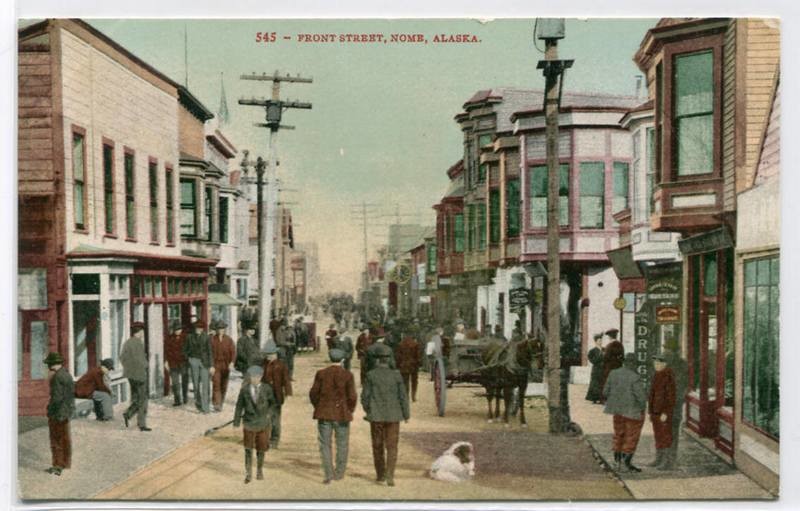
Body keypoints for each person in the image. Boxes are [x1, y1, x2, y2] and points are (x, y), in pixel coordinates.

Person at [361, 343, 410, 486]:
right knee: (392, 446)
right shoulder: (397, 375)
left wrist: (368, 411)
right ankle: (390, 475)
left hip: (376, 417)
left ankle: (380, 475)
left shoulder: (371, 375)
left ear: (377, 359)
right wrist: (406, 414)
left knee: (377, 446)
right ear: (389, 359)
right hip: (394, 417)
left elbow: (365, 397)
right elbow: (403, 397)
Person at [309, 348, 357, 484]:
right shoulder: (348, 375)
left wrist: (318, 406)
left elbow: (313, 394)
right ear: (342, 360)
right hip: (342, 413)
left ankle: (328, 473)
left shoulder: (321, 374)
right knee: (342, 444)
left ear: (330, 359)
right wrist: (349, 410)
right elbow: (352, 396)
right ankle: (339, 472)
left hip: (324, 413)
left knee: (325, 444)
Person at [233, 365, 277, 484]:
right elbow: (239, 406)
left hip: (263, 423)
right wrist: (236, 423)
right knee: (248, 449)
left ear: (261, 377)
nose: (254, 379)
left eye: (257, 377)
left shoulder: (267, 389)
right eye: (252, 377)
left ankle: (259, 470)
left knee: (261, 449)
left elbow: (273, 404)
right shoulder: (244, 389)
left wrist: (269, 414)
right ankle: (248, 474)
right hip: (248, 423)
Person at [603, 353, 646, 473]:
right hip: (632, 411)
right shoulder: (635, 377)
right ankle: (626, 463)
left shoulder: (613, 373)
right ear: (632, 364)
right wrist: (642, 408)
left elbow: (605, 392)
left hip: (617, 411)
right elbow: (641, 397)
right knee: (631, 436)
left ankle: (617, 461)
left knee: (618, 434)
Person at [45, 352, 74, 476]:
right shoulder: (67, 375)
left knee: (56, 439)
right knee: (65, 438)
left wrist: (49, 409)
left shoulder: (57, 377)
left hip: (57, 413)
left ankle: (57, 466)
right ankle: (66, 463)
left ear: (51, 365)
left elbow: (56, 398)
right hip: (66, 411)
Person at [661, 338, 687, 470]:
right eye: (665, 349)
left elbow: (682, 386)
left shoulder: (681, 365)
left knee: (671, 432)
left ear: (675, 352)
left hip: (674, 404)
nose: (665, 351)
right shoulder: (663, 363)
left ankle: (670, 461)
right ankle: (660, 458)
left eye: (668, 349)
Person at [647, 353, 677, 470]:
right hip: (655, 411)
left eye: (659, 363)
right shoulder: (657, 375)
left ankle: (667, 462)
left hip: (663, 413)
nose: (656, 365)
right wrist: (650, 411)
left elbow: (671, 397)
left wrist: (666, 412)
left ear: (664, 364)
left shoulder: (668, 376)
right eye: (655, 363)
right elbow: (652, 395)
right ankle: (658, 459)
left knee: (665, 436)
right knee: (658, 435)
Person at [121, 321, 151, 431]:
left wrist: (129, 368)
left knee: (135, 397)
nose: (143, 333)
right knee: (143, 399)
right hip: (140, 375)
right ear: (140, 332)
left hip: (130, 375)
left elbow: (122, 358)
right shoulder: (138, 343)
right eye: (142, 331)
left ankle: (128, 413)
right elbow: (141, 360)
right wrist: (146, 365)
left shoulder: (127, 342)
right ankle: (141, 424)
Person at [262, 347, 292, 449]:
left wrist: (288, 392)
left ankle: (274, 440)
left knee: (275, 419)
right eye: (267, 354)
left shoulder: (281, 365)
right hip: (264, 395)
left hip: (276, 395)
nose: (268, 356)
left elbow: (286, 380)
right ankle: (264, 439)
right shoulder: (263, 364)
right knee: (264, 417)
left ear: (276, 354)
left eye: (271, 354)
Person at [183, 320, 213, 413]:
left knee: (205, 384)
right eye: (197, 328)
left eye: (200, 328)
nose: (198, 330)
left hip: (204, 362)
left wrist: (211, 365)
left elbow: (210, 351)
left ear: (203, 329)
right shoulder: (189, 337)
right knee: (196, 385)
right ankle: (198, 404)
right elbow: (184, 349)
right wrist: (189, 358)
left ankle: (205, 407)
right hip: (194, 361)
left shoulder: (206, 337)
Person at [211, 320, 236, 412]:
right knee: (216, 383)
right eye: (219, 329)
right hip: (216, 364)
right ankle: (216, 403)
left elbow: (233, 352)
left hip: (226, 365)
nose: (221, 330)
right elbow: (209, 353)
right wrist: (211, 366)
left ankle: (221, 402)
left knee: (224, 385)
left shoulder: (229, 340)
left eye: (222, 329)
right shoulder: (212, 339)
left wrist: (232, 362)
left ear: (225, 329)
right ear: (216, 329)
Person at [164, 320, 189, 407]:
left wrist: (187, 358)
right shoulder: (169, 338)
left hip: (183, 362)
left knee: (185, 381)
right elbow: (166, 351)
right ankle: (177, 400)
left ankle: (185, 397)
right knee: (175, 382)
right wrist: (166, 361)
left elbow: (189, 349)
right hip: (173, 363)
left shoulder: (186, 337)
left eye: (179, 329)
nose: (178, 331)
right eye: (176, 329)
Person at [395, 332, 422, 402]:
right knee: (414, 381)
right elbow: (418, 356)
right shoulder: (415, 344)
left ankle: (406, 396)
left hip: (404, 365)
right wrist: (419, 364)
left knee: (405, 382)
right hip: (413, 365)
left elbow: (398, 357)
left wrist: (397, 365)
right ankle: (413, 396)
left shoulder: (400, 344)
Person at [600, 328, 624, 401]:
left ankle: (607, 399)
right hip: (618, 366)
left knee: (608, 382)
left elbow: (606, 357)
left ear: (610, 336)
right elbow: (622, 356)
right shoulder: (620, 345)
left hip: (609, 367)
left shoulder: (610, 345)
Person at [585, 334, 605, 404]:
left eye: (601, 340)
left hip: (603, 369)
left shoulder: (604, 349)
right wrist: (599, 358)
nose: (600, 342)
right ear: (596, 341)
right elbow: (592, 360)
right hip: (596, 368)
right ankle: (594, 398)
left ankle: (601, 398)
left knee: (602, 383)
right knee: (595, 383)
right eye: (599, 340)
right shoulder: (592, 351)